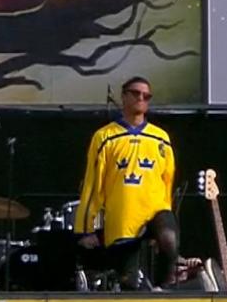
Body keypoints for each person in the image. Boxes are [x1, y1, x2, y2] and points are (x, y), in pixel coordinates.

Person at [74, 76, 179, 290]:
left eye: (146, 96)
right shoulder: (105, 137)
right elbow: (93, 187)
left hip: (156, 211)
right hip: (123, 217)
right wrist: (87, 229)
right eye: (136, 93)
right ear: (123, 97)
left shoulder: (161, 138)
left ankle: (163, 286)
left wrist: (167, 212)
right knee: (129, 283)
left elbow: (167, 181)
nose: (141, 99)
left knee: (169, 239)